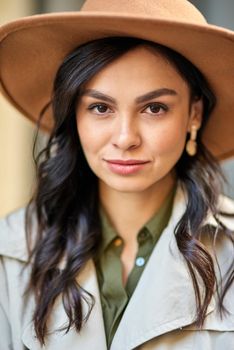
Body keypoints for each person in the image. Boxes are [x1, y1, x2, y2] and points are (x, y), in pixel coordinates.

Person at [0, 0, 234, 349]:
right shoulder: (11, 250)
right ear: (74, 115)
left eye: (154, 108)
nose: (125, 138)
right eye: (100, 108)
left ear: (194, 114)